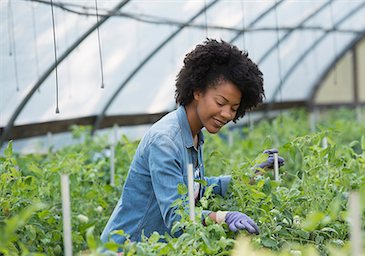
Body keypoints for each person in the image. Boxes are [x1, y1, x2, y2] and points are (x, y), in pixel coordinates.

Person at [100, 39, 284, 245]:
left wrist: (247, 177)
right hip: (124, 255)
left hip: (153, 255)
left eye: (233, 108)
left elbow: (195, 188)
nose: (226, 114)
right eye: (221, 102)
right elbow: (178, 218)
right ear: (197, 91)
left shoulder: (194, 134)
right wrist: (223, 217)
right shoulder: (166, 141)